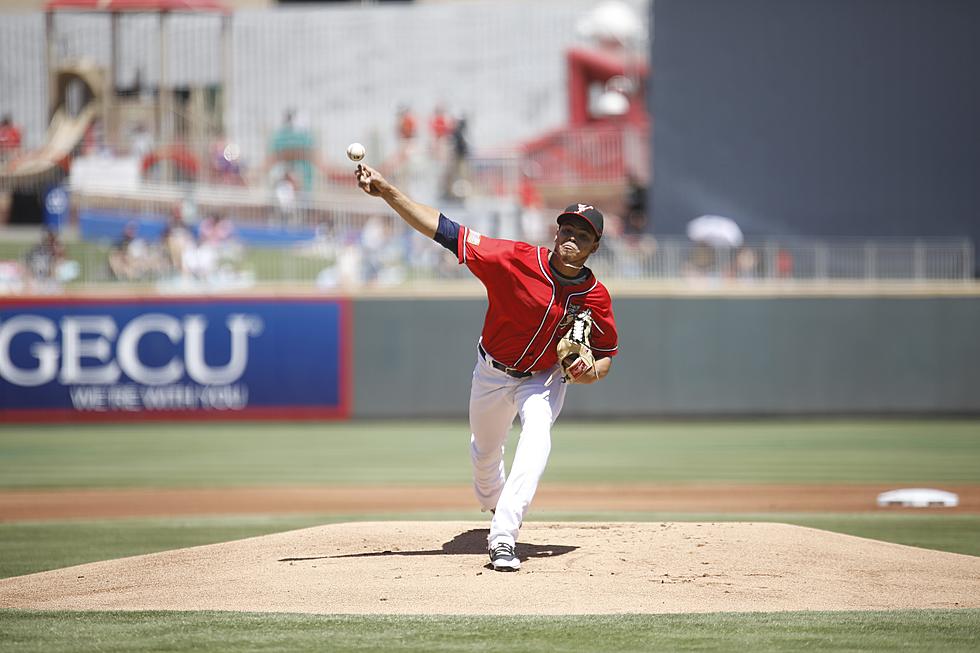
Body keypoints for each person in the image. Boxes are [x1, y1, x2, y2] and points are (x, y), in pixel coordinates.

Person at [355, 163, 619, 572]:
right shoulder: (512, 259)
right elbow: (443, 229)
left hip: (544, 379)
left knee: (537, 437)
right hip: (493, 372)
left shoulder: (596, 297)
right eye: (567, 229)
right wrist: (389, 192)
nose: (571, 238)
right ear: (556, 231)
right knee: (485, 452)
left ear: (594, 246)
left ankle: (503, 537)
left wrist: (591, 372)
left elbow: (605, 357)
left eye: (582, 234)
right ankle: (493, 502)